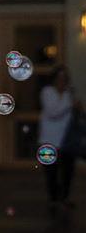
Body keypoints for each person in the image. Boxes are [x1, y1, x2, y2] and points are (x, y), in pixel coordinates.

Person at [39, 65, 78, 212]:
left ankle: (65, 198)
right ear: (54, 79)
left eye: (65, 78)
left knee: (68, 172)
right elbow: (52, 112)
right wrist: (70, 104)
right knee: (51, 173)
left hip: (66, 140)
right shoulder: (47, 92)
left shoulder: (68, 93)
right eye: (59, 78)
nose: (62, 81)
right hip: (49, 139)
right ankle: (53, 199)